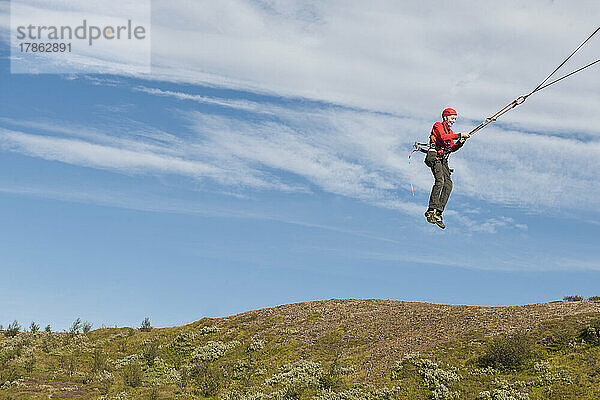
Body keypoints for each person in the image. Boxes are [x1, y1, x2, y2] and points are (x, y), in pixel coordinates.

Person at [424, 108, 470, 229]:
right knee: (440, 181)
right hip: (434, 157)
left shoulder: (450, 132)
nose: (454, 121)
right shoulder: (438, 125)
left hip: (443, 160)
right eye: (452, 118)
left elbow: (451, 148)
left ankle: (438, 213)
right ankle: (430, 210)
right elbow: (443, 137)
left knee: (448, 184)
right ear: (446, 117)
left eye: (455, 119)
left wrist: (460, 142)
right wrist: (459, 135)